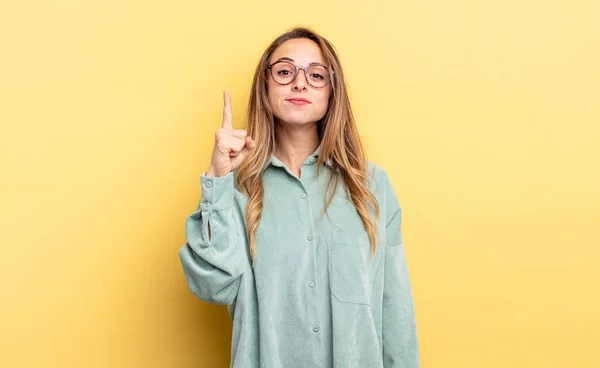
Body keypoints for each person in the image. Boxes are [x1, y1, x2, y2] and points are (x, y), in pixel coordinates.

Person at [179, 26, 419, 368]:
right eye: (285, 71)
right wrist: (218, 178)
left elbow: (396, 313)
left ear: (332, 91)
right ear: (265, 86)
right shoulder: (236, 187)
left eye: (316, 74)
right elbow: (213, 286)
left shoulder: (372, 185)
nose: (300, 83)